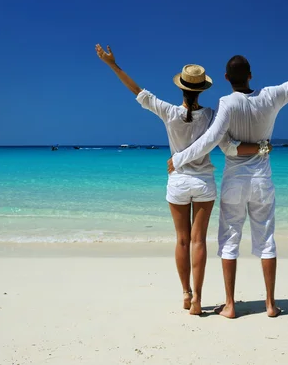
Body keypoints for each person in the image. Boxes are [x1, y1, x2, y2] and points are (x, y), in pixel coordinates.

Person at [167, 35, 288, 318]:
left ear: (226, 77)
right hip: (262, 181)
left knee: (229, 241)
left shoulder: (227, 103)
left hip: (234, 183)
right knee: (266, 241)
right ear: (251, 76)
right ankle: (271, 304)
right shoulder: (272, 96)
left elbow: (214, 141)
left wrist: (178, 159)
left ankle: (230, 305)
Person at [95, 44, 271, 315]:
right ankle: (199, 300)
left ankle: (186, 294)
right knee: (199, 241)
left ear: (181, 88)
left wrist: (113, 65)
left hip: (178, 182)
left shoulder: (168, 112)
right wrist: (261, 145)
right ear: (203, 89)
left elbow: (137, 91)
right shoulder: (212, 114)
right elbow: (230, 143)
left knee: (182, 241)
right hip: (204, 184)